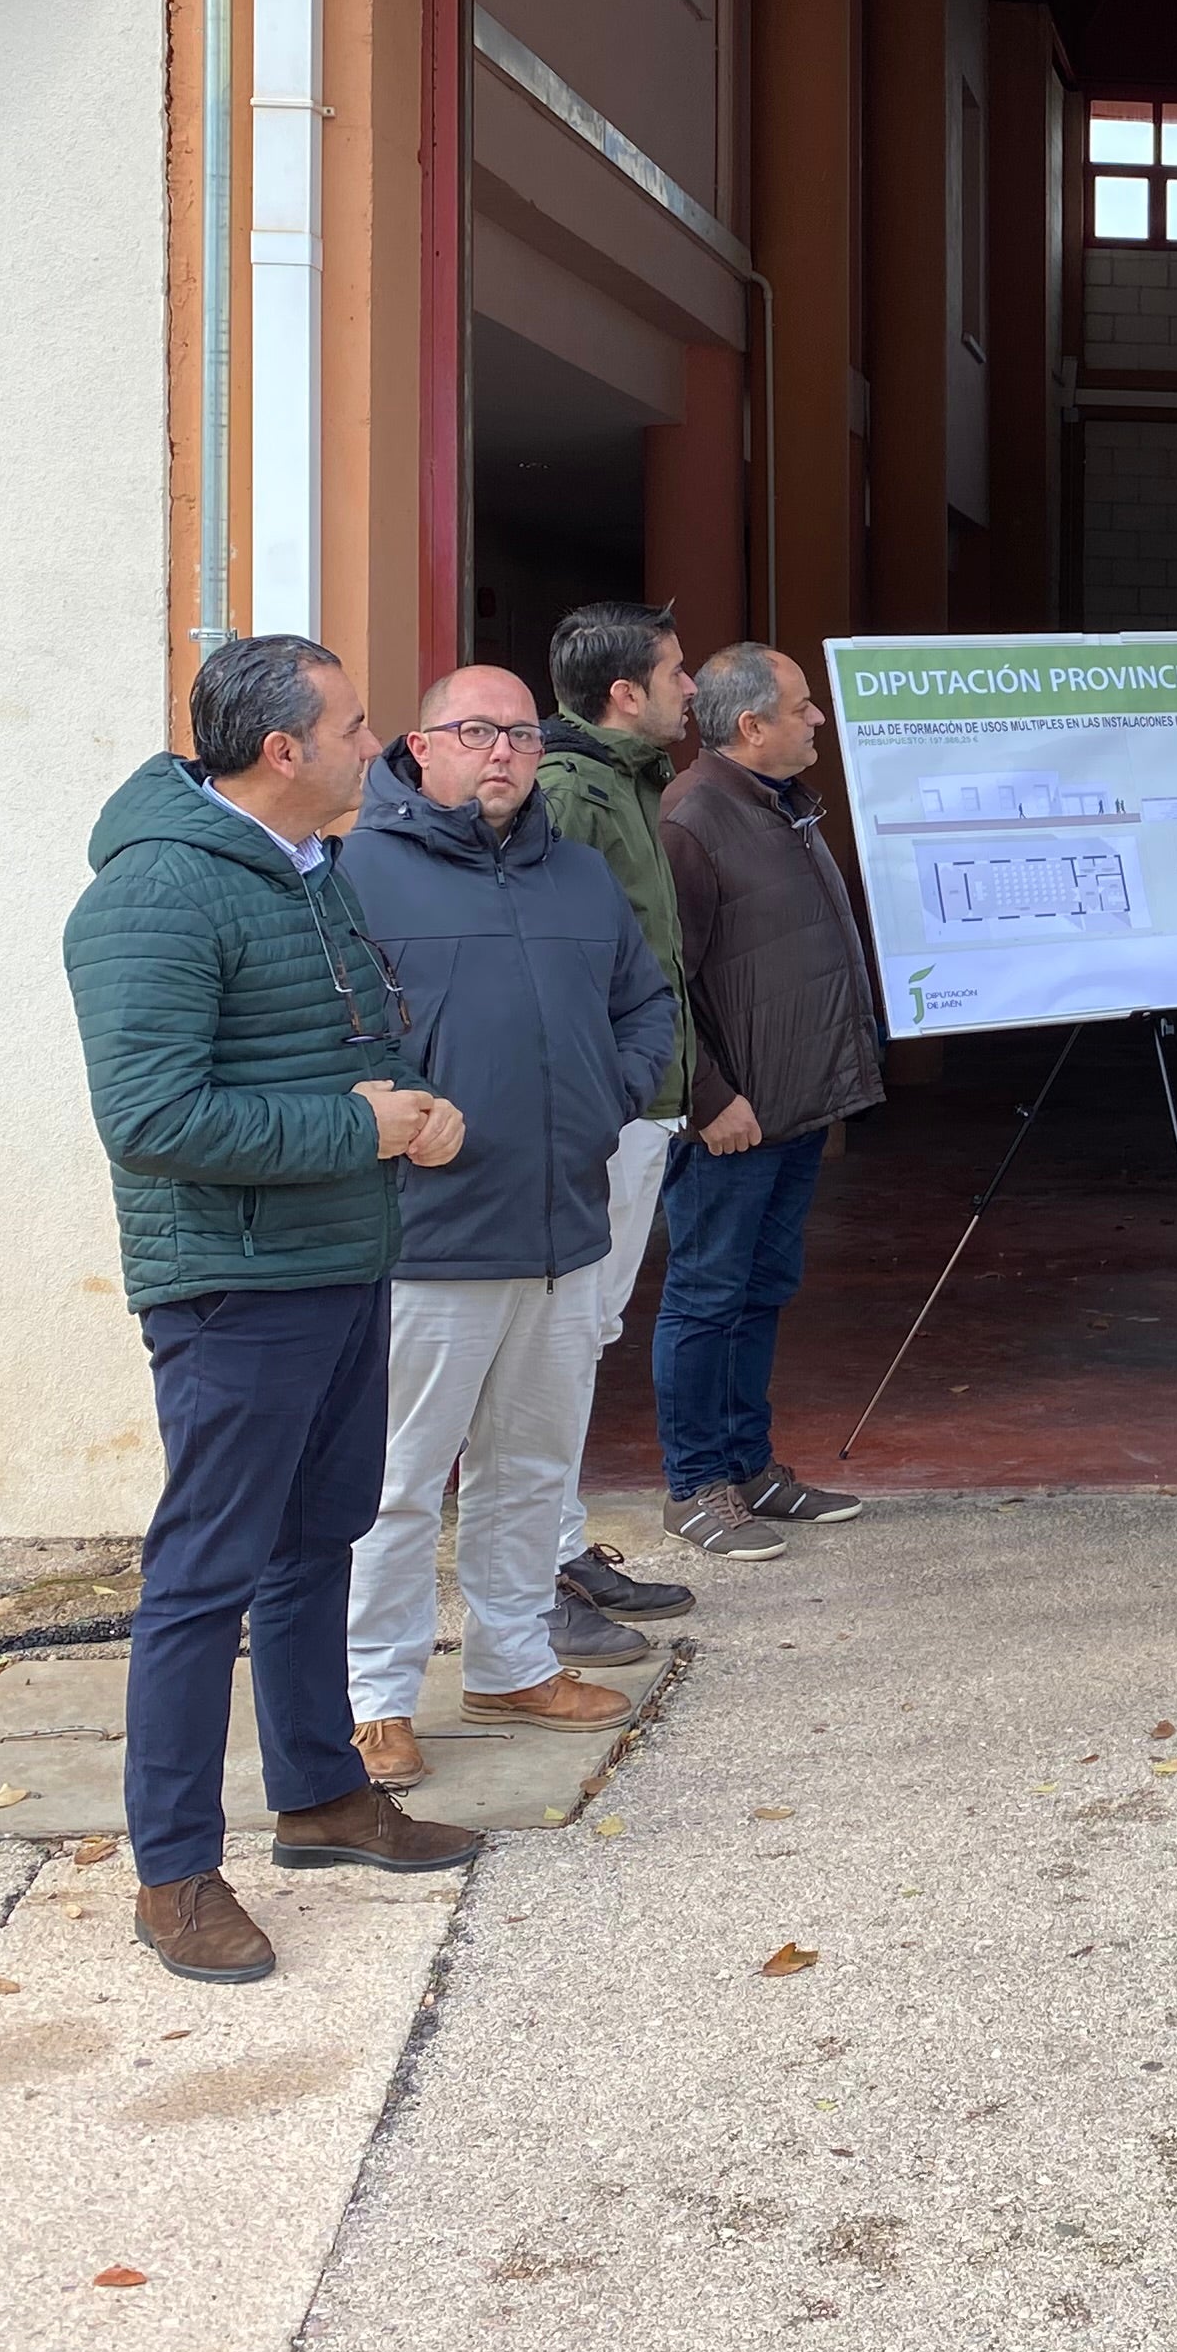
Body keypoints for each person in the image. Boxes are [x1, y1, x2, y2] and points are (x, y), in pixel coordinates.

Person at [63, 632, 482, 1983]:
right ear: (285, 751)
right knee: (204, 1580)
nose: (382, 746)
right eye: (359, 728)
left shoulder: (304, 871)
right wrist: (358, 1128)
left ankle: (319, 1797)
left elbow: (343, 1040)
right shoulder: (157, 897)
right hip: (234, 1282)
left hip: (336, 1259)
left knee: (321, 1537)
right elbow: (152, 1118)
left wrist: (408, 1108)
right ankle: (175, 1873)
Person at [338, 664, 680, 1790]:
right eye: (476, 731)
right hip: (426, 1237)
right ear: (421, 746)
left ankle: (512, 1661)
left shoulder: (578, 876)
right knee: (395, 1481)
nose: (502, 753)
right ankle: (373, 1700)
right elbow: (325, 1032)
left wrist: (609, 1094)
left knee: (531, 1468)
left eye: (522, 735)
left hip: (561, 1231)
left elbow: (646, 999)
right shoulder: (356, 876)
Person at [655, 642, 887, 1558]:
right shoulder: (693, 819)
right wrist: (710, 1097)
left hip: (790, 1105)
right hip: (733, 1119)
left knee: (760, 1288)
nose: (817, 719)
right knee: (707, 1293)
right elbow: (661, 982)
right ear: (751, 727)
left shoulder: (776, 807)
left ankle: (749, 1468)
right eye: (801, 707)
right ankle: (695, 1485)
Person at [535, 600, 705, 1661]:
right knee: (560, 1342)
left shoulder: (628, 786)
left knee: (586, 1334)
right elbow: (555, 968)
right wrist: (620, 1083)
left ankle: (556, 1543)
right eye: (678, 672)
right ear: (625, 694)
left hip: (640, 1105)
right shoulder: (572, 796)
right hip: (604, 1114)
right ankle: (534, 1574)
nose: (694, 689)